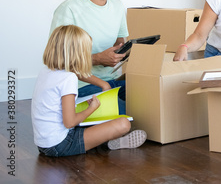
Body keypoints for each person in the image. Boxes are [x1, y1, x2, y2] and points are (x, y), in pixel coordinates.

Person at [32, 25, 146, 157]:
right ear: (77, 54)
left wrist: (103, 84)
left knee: (97, 119)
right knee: (123, 124)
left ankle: (108, 140)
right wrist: (92, 108)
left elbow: (77, 72)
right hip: (61, 144)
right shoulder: (68, 79)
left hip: (44, 143)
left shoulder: (47, 71)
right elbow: (69, 122)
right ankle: (109, 142)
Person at [49, 0, 128, 114]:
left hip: (114, 81)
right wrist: (97, 59)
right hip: (82, 87)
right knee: (127, 116)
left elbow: (120, 43)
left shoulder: (118, 6)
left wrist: (125, 50)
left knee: (153, 105)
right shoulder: (68, 10)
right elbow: (57, 61)